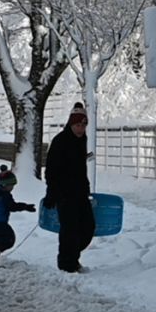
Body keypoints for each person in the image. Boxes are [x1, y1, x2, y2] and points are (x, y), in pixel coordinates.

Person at [43, 102, 95, 272]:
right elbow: (51, 170)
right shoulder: (60, 141)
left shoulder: (82, 140)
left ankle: (70, 255)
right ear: (71, 124)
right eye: (78, 125)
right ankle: (68, 264)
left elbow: (80, 168)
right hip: (63, 194)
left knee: (88, 227)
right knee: (70, 229)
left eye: (84, 125)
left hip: (80, 193)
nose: (81, 129)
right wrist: (51, 193)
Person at [0, 164, 36, 264]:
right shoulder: (4, 195)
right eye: (11, 185)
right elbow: (12, 206)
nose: (12, 188)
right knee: (9, 239)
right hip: (0, 223)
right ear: (4, 185)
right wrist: (25, 206)